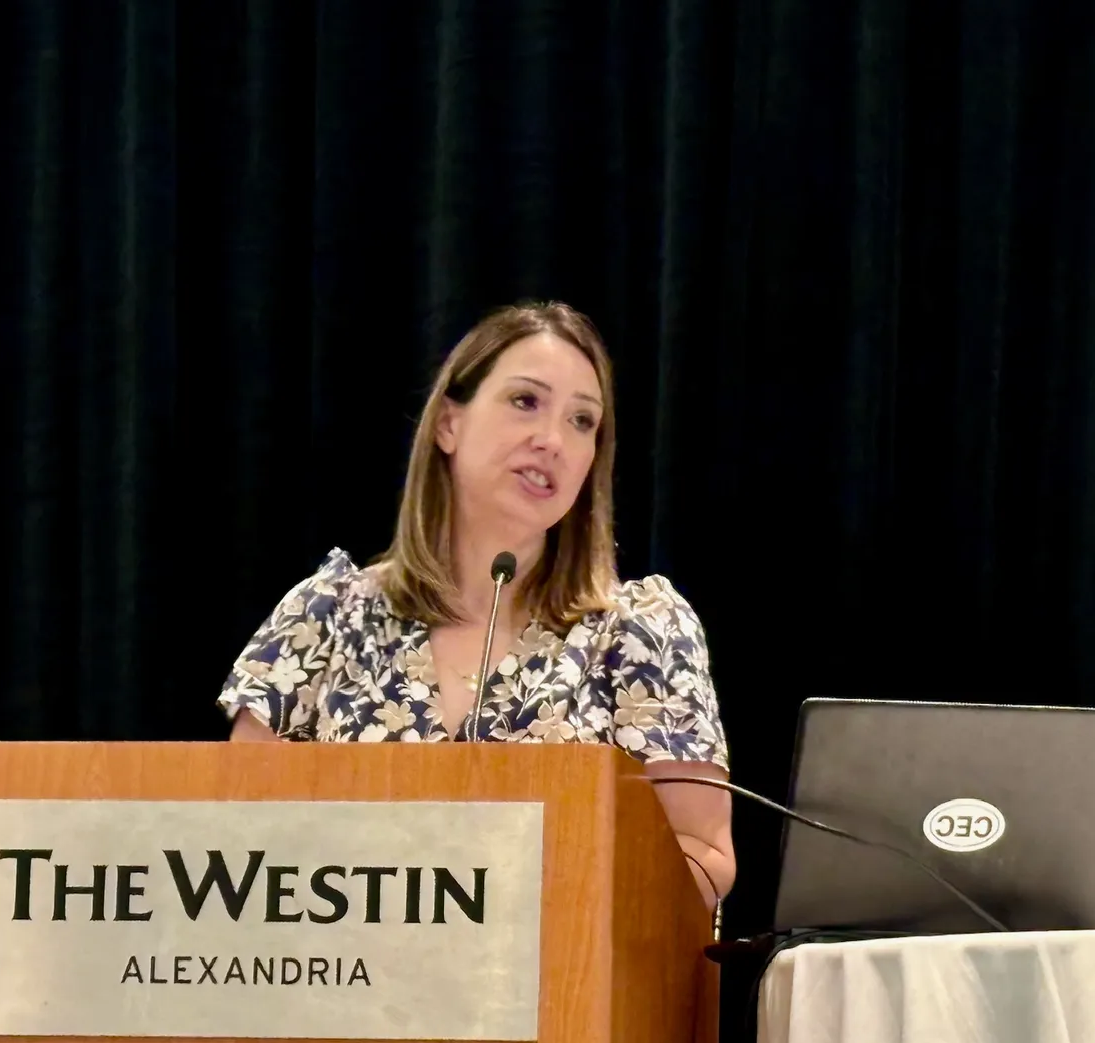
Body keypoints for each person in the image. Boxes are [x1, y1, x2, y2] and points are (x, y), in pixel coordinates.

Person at [218, 301, 734, 904]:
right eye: (525, 402)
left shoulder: (640, 631)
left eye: (582, 421)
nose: (552, 441)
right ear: (448, 425)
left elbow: (701, 857)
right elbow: (238, 842)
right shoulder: (326, 617)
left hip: (563, 986)